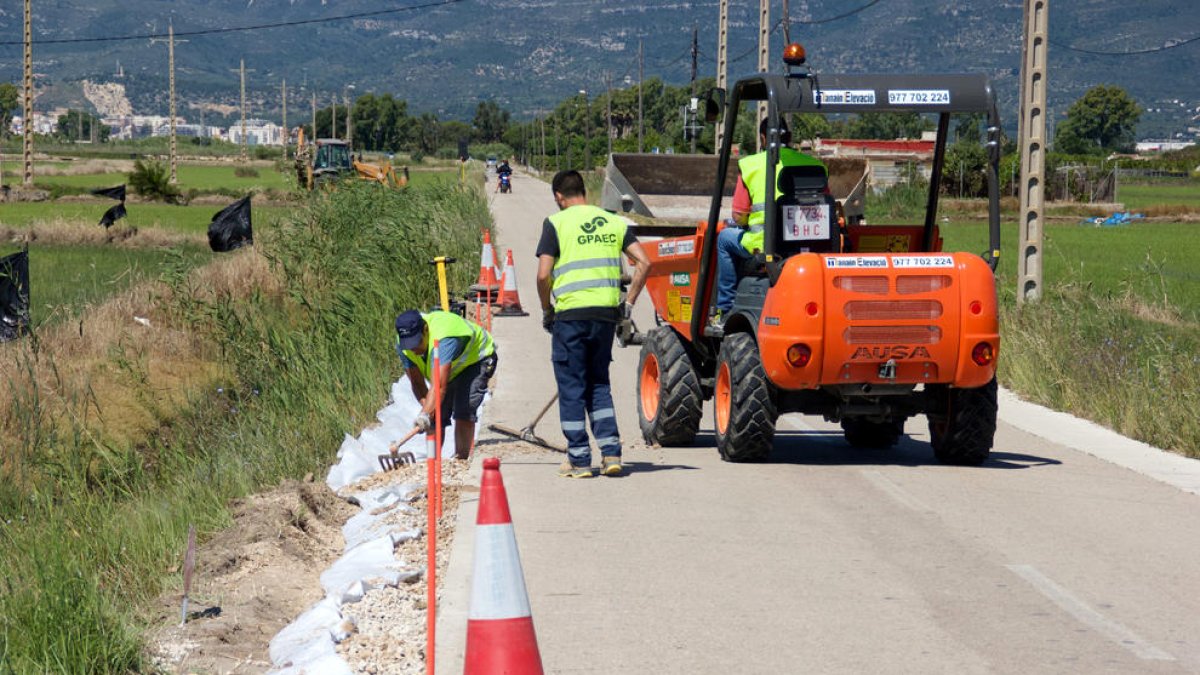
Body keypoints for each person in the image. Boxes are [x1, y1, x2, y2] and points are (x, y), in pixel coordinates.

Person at [536, 170, 650, 478]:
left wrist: (547, 310)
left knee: (572, 386)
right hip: (604, 316)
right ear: (583, 191)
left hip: (570, 317)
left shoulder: (556, 223)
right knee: (598, 383)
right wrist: (627, 306)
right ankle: (611, 454)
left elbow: (544, 275)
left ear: (559, 197)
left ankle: (580, 458)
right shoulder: (613, 221)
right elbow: (645, 262)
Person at [714, 117, 826, 320]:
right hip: (809, 246)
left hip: (764, 245)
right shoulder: (815, 166)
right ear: (790, 138)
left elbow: (739, 216)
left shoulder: (750, 165)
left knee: (723, 239)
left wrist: (743, 222)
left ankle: (724, 308)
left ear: (764, 138)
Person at [391, 309, 497, 460]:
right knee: (434, 414)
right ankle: (433, 461)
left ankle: (461, 459)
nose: (414, 350)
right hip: (451, 367)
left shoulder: (444, 338)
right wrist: (427, 414)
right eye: (409, 346)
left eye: (417, 343)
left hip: (476, 360)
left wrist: (426, 413)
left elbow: (439, 387)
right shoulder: (403, 344)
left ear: (425, 329)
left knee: (464, 409)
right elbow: (417, 383)